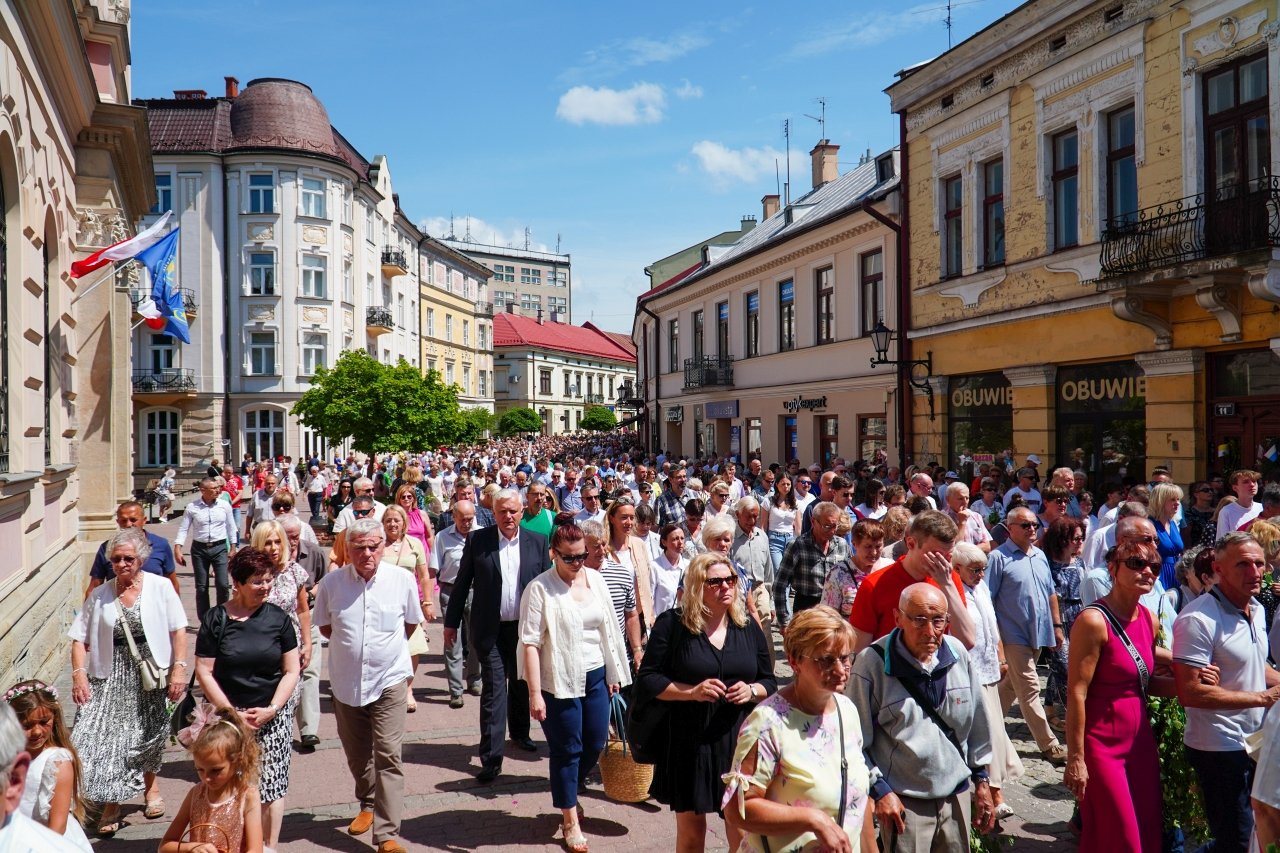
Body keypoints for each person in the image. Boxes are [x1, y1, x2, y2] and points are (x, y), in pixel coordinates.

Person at [636, 553, 777, 853]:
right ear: (697, 586)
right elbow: (648, 679)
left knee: (741, 831)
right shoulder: (672, 625)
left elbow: (769, 681)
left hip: (739, 742)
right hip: (690, 741)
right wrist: (690, 692)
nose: (725, 586)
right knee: (691, 832)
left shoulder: (747, 627)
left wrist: (751, 691)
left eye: (731, 580)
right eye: (715, 581)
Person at [848, 583, 995, 851]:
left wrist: (982, 781)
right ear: (898, 617)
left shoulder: (958, 654)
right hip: (904, 801)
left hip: (956, 795)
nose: (930, 631)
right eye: (919, 620)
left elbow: (979, 724)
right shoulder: (872, 663)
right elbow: (855, 741)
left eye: (938, 621)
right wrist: (879, 791)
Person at [519, 520, 631, 853]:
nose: (577, 563)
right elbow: (529, 643)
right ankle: (570, 818)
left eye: (581, 555)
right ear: (553, 554)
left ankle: (568, 791)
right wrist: (535, 693)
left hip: (595, 675)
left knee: (595, 742)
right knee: (567, 748)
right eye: (569, 557)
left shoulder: (596, 579)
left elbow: (609, 630)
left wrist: (614, 674)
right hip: (558, 681)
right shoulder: (540, 588)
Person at [313, 518, 422, 853]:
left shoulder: (402, 580)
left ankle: (386, 834)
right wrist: (355, 651)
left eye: (373, 546)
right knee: (358, 755)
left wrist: (379, 653)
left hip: (389, 679)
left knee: (388, 754)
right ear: (347, 549)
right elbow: (327, 628)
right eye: (358, 547)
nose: (366, 554)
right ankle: (368, 803)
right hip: (346, 683)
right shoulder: (332, 584)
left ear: (382, 546)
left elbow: (410, 624)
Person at [68, 528, 187, 835]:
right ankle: (111, 803)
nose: (122, 564)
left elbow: (178, 630)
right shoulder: (100, 595)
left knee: (147, 733)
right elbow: (78, 639)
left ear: (141, 559)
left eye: (128, 558)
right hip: (108, 674)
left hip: (148, 671)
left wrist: (179, 669)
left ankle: (151, 789)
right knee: (104, 738)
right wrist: (79, 675)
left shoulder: (160, 587)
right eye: (116, 559)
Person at [722, 606, 869, 852]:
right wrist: (812, 819)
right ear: (794, 661)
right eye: (826, 660)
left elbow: (856, 799)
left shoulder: (847, 711)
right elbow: (738, 810)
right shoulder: (768, 723)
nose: (841, 670)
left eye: (845, 658)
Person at [1064, 540, 1177, 852]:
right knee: (1119, 836)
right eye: (1136, 564)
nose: (1147, 571)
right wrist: (1076, 758)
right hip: (1101, 744)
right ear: (1112, 568)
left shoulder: (1148, 619)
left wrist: (1192, 684)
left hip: (1139, 740)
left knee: (1146, 830)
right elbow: (1076, 691)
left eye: (1154, 566)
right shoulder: (1093, 620)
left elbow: (1143, 680)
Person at [1173, 531, 1280, 852]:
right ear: (1218, 569)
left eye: (1259, 564)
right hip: (1217, 747)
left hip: (1256, 742)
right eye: (1243, 565)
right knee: (1234, 837)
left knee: (1255, 834)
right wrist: (1262, 698)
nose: (1255, 572)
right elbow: (1190, 693)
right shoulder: (1197, 619)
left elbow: (1254, 665)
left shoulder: (1257, 610)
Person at [195, 547, 301, 850]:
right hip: (228, 720)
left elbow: (291, 670)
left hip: (270, 716)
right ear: (238, 583)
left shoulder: (278, 618)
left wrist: (272, 709)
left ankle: (268, 847)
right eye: (257, 581)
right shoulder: (217, 618)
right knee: (228, 784)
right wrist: (230, 713)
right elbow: (204, 671)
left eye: (268, 580)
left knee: (271, 787)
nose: (265, 587)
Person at [443, 489, 550, 783]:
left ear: (522, 510)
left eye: (514, 511)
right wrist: (451, 624)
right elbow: (462, 583)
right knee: (493, 689)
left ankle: (520, 733)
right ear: (494, 512)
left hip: (523, 630)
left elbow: (547, 585)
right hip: (489, 628)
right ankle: (491, 757)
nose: (508, 517)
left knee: (520, 682)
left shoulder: (537, 542)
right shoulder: (479, 541)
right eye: (502, 511)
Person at [986, 506, 1069, 761]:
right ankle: (1049, 745)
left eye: (1034, 524)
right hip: (1012, 634)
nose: (1032, 529)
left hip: (1039, 631)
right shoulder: (999, 558)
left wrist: (1057, 627)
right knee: (1031, 687)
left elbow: (1050, 593)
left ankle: (987, 727)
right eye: (1025, 525)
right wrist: (996, 639)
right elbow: (987, 598)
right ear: (1010, 529)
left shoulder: (1040, 556)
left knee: (1012, 685)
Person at [951, 543, 1023, 821]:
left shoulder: (981, 588)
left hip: (989, 667)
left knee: (994, 728)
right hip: (967, 671)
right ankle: (994, 794)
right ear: (957, 569)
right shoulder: (956, 593)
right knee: (987, 729)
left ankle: (993, 790)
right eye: (975, 569)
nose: (981, 574)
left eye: (983, 569)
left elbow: (992, 627)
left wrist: (1002, 657)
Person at [849, 510, 976, 652]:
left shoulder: (949, 578)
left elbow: (967, 641)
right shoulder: (874, 585)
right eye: (936, 555)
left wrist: (947, 585)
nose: (942, 563)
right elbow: (859, 652)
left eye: (948, 556)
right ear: (910, 543)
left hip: (936, 670)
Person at [159, 706, 264, 853]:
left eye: (216, 770)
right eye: (200, 770)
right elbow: (165, 846)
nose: (206, 778)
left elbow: (255, 850)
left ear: (237, 761)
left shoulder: (247, 796)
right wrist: (191, 847)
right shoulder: (196, 794)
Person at [3, 681, 91, 850]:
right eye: (27, 726)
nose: (36, 731)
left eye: (44, 722)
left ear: (54, 718)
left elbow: (57, 827)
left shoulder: (57, 762)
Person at [381, 504, 432, 713]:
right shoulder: (377, 544)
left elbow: (424, 575)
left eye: (397, 520)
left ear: (404, 523)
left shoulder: (414, 544)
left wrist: (428, 602)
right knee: (385, 648)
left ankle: (408, 688)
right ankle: (386, 689)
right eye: (388, 520)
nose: (393, 524)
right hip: (383, 605)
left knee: (413, 647)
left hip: (409, 604)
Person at [774, 502, 852, 632]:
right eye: (827, 526)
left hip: (834, 611)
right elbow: (780, 585)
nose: (832, 531)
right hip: (806, 608)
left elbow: (851, 578)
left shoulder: (842, 545)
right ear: (813, 521)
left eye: (835, 526)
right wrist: (784, 622)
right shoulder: (798, 545)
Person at [434, 501, 483, 708]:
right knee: (452, 641)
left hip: (476, 591)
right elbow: (432, 568)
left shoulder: (483, 534)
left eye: (470, 519)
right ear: (453, 517)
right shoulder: (443, 537)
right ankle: (455, 690)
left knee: (476, 640)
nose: (467, 523)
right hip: (451, 591)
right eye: (462, 519)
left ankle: (474, 680)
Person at [1042, 517, 1086, 734]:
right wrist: (1055, 624)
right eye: (1075, 538)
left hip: (1079, 616)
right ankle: (1074, 717)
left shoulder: (1079, 562)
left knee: (1064, 667)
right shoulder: (1048, 564)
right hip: (1058, 618)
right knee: (1065, 668)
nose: (1079, 542)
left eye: (1081, 537)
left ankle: (1049, 709)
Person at [174, 477, 239, 620]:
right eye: (214, 488)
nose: (218, 490)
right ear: (203, 490)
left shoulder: (224, 505)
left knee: (222, 584)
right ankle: (205, 619)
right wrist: (178, 548)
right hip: (199, 550)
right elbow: (184, 529)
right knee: (202, 586)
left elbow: (231, 527)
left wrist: (233, 547)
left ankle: (223, 616)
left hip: (220, 547)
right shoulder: (192, 507)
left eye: (218, 487)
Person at [85, 500, 179, 597]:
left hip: (155, 605)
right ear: (118, 522)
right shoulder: (108, 548)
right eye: (124, 520)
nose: (129, 524)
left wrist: (175, 609)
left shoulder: (161, 545)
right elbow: (94, 587)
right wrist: (88, 610)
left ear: (144, 520)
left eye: (133, 520)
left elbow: (172, 583)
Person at [605, 497, 657, 630]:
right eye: (624, 517)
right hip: (612, 618)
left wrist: (650, 615)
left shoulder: (639, 545)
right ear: (612, 518)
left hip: (639, 617)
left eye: (632, 517)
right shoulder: (603, 548)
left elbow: (647, 582)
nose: (629, 522)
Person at [821, 519, 884, 619]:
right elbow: (828, 617)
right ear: (855, 544)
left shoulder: (889, 568)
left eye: (878, 546)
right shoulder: (838, 573)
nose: (874, 552)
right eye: (868, 546)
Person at [761, 474, 798, 574]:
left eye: (788, 484)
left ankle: (786, 590)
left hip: (790, 539)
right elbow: (763, 525)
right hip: (774, 539)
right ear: (777, 485)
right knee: (778, 571)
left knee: (789, 572)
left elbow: (798, 527)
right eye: (783, 484)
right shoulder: (768, 501)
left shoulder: (795, 503)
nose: (786, 487)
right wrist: (762, 541)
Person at [1152, 482, 1186, 591]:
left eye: (1178, 499)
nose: (1177, 503)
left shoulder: (1173, 523)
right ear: (1160, 501)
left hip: (1176, 574)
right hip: (1159, 575)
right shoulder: (1150, 524)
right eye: (1172, 499)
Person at [652, 523, 688, 617]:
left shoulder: (689, 565)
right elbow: (649, 599)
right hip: (662, 625)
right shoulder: (654, 566)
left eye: (682, 538)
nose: (680, 542)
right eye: (675, 539)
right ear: (664, 542)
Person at [392, 485, 435, 563]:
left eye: (409, 497)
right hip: (404, 556)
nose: (406, 499)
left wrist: (433, 556)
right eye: (403, 497)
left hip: (423, 555)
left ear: (413, 498)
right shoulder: (395, 516)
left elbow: (429, 536)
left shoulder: (422, 514)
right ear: (399, 499)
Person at [1217, 470, 1261, 539]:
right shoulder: (1226, 512)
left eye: (1254, 481)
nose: (1252, 484)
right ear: (1235, 488)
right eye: (1246, 482)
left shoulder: (1263, 508)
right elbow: (1222, 542)